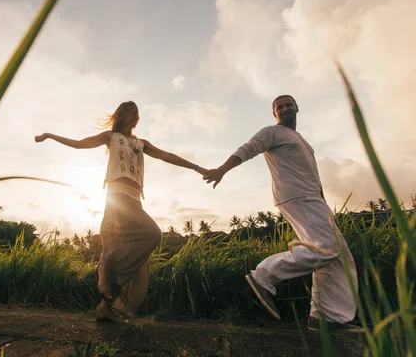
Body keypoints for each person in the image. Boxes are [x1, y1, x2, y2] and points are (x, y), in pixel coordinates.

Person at [35, 101, 207, 324]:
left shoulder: (141, 143)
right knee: (152, 234)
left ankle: (105, 307)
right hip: (117, 199)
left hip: (135, 201)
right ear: (121, 115)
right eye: (129, 114)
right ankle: (104, 270)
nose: (133, 119)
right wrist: (49, 135)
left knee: (137, 252)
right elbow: (78, 144)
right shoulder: (110, 137)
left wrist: (197, 168)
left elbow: (167, 156)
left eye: (136, 115)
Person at [203, 95, 363, 332]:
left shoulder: (301, 140)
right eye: (280, 107)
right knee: (326, 248)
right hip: (296, 196)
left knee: (339, 256)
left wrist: (323, 202)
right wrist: (222, 170)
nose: (285, 108)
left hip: (314, 199)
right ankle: (264, 275)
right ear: (274, 113)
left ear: (297, 107)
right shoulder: (272, 132)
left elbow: (313, 176)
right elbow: (248, 148)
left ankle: (327, 317)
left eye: (289, 104)